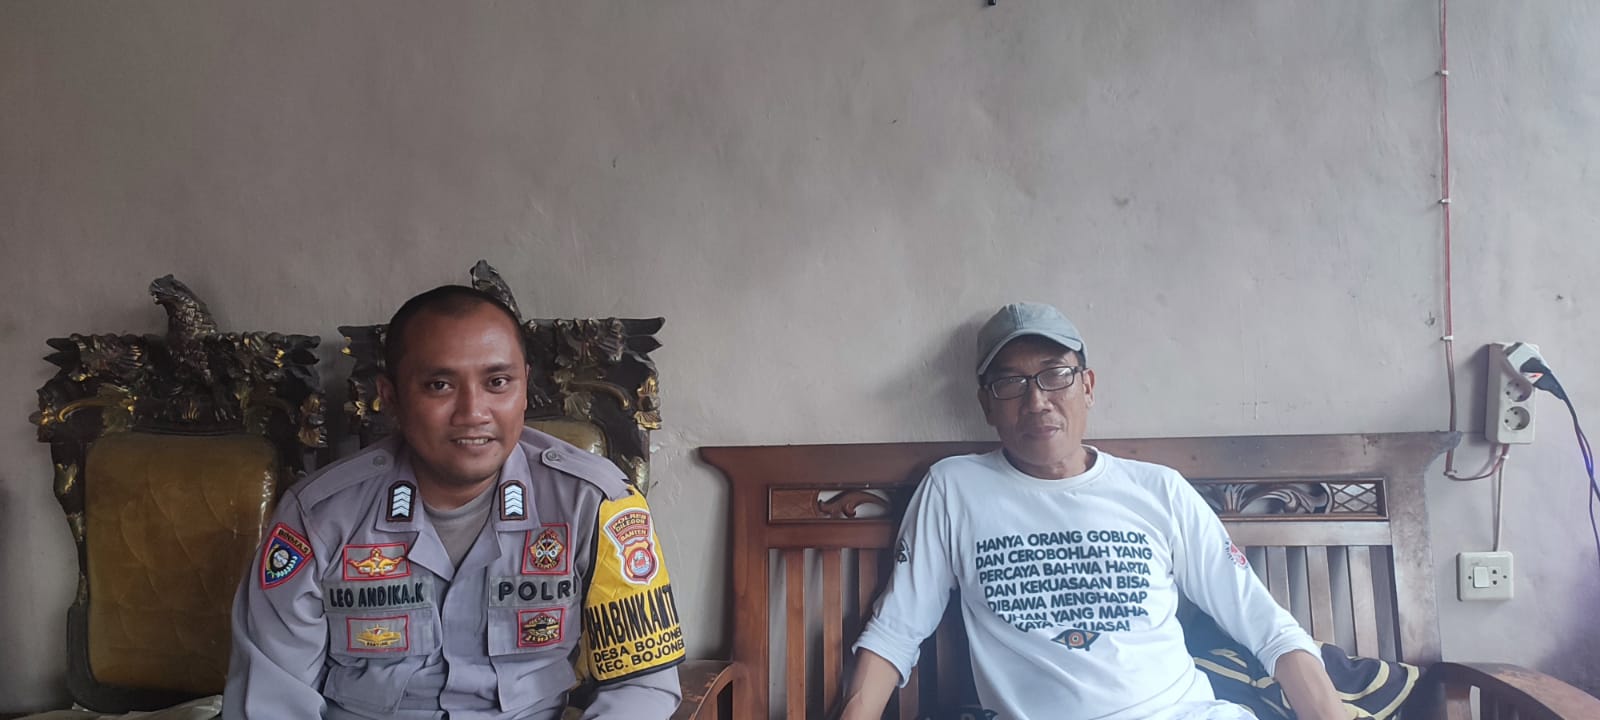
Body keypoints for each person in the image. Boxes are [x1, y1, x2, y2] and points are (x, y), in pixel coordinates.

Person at [840, 302, 1344, 720]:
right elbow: (897, 630)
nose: (1036, 401)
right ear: (986, 405)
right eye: (1010, 383)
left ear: (1088, 386)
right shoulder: (955, 489)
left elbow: (1266, 626)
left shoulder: (1159, 490)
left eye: (1055, 375)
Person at [225, 286, 683, 719]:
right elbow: (271, 700)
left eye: (497, 382)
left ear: (525, 387)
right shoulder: (318, 516)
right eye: (439, 385)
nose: (472, 413)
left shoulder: (595, 503)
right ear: (390, 397)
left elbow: (641, 685)